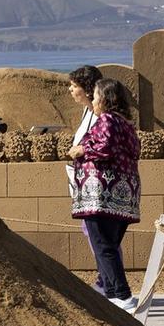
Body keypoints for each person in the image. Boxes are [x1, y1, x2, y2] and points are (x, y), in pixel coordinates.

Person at [69, 79, 141, 313]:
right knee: (107, 245)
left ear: (106, 99)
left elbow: (104, 147)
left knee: (103, 246)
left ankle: (123, 295)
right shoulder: (126, 123)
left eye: (97, 95)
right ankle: (111, 294)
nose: (94, 100)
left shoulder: (108, 120)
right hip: (122, 195)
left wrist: (81, 150)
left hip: (101, 195)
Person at [65, 66, 108, 295]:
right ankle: (105, 277)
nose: (70, 90)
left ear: (88, 90)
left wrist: (81, 150)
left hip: (96, 182)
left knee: (100, 233)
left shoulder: (102, 117)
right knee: (90, 231)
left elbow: (101, 146)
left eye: (74, 86)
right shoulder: (86, 112)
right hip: (83, 181)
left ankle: (107, 281)